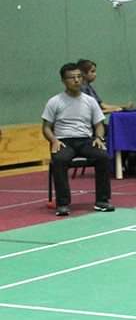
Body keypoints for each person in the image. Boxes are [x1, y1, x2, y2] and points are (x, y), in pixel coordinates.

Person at [42, 63, 115, 216]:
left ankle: (102, 201)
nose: (76, 80)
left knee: (102, 156)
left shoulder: (90, 101)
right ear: (63, 81)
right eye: (72, 77)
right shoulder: (54, 101)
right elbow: (46, 127)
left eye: (79, 77)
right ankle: (63, 204)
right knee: (59, 160)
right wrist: (54, 140)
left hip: (85, 141)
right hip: (64, 141)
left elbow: (99, 124)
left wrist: (99, 137)